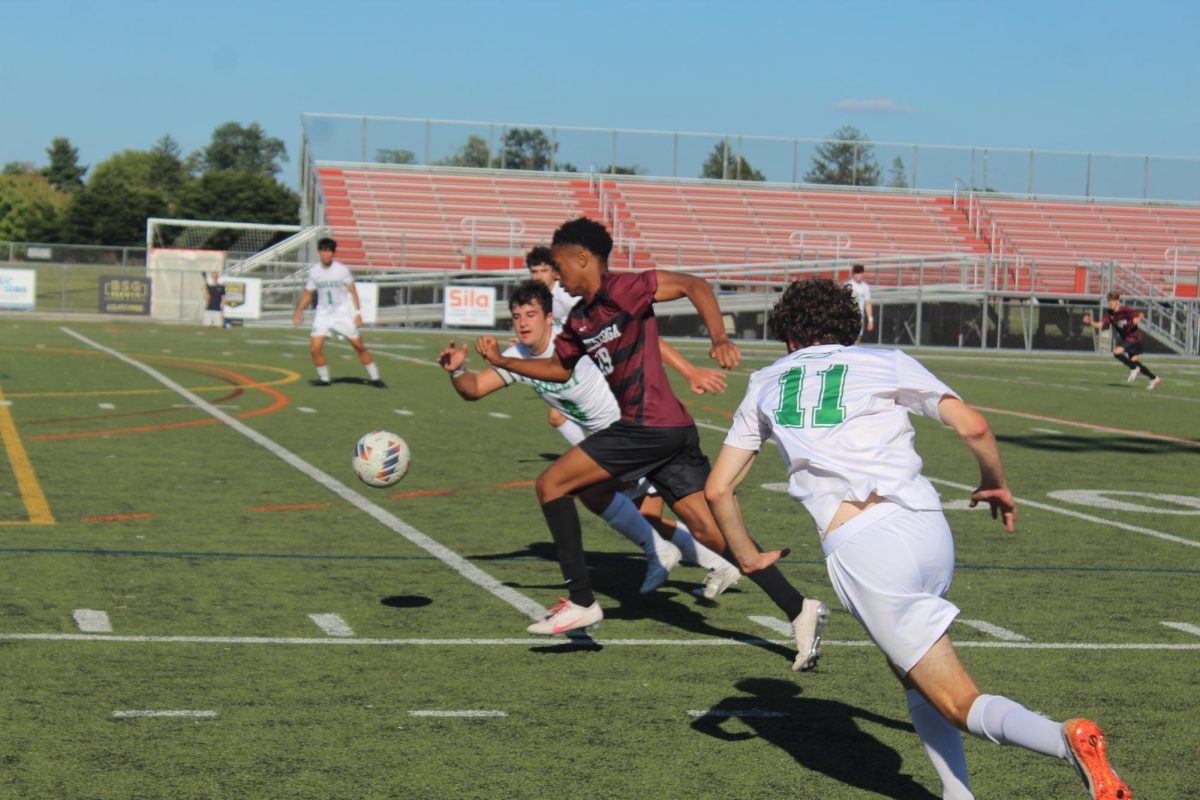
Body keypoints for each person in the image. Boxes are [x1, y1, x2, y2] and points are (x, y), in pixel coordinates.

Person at [704, 277, 1131, 800]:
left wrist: (748, 557)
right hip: (928, 527)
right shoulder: (886, 360)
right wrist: (994, 480)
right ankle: (957, 794)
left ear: (788, 337)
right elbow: (973, 426)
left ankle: (1065, 739)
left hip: (863, 545)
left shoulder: (767, 381)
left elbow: (718, 489)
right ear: (851, 329)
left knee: (958, 700)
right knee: (910, 672)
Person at [475, 217, 827, 672]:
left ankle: (582, 600)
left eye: (560, 266)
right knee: (712, 534)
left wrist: (719, 337)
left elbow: (694, 285)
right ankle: (800, 609)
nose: (557, 276)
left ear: (583, 258)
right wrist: (503, 361)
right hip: (667, 434)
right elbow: (561, 370)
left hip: (649, 427)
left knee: (552, 485)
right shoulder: (579, 319)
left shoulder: (628, 288)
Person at [439, 279, 739, 597]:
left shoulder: (574, 339)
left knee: (593, 492)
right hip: (614, 441)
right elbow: (474, 389)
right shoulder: (517, 356)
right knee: (650, 518)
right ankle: (725, 562)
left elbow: (642, 340)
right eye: (517, 316)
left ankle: (731, 563)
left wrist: (689, 371)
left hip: (638, 430)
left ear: (549, 317)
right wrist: (457, 372)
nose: (523, 322)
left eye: (530, 314)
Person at [292, 237, 386, 388]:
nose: (327, 254)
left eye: (330, 251)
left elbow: (353, 292)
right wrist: (298, 311)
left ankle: (375, 378)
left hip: (341, 314)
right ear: (319, 252)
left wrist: (357, 313)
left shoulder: (341, 270)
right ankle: (324, 379)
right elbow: (308, 293)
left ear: (333, 253)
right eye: (324, 251)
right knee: (315, 349)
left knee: (358, 346)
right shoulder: (314, 271)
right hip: (322, 315)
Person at [1082, 292, 1161, 390]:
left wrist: (1138, 319)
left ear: (1117, 301)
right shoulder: (1109, 314)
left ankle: (1134, 368)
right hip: (1127, 339)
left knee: (1117, 352)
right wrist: (1090, 321)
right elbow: (1099, 325)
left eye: (1112, 301)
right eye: (1109, 301)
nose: (1110, 303)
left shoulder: (1125, 310)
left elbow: (1141, 314)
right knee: (1134, 361)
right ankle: (1154, 378)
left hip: (1135, 338)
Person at [845, 263, 873, 344]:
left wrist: (870, 320)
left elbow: (868, 303)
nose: (858, 275)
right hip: (849, 316)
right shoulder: (849, 285)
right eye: (856, 273)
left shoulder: (865, 287)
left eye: (860, 273)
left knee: (857, 339)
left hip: (859, 317)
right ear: (853, 274)